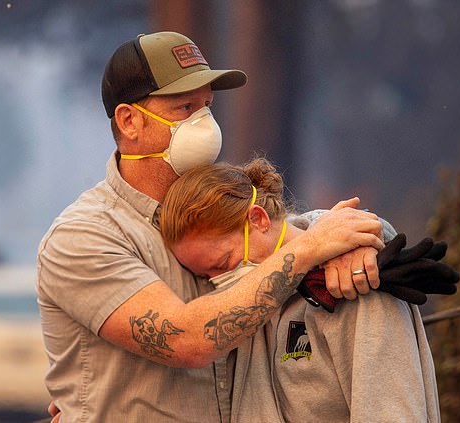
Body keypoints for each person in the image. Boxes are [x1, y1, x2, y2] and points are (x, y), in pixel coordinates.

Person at [37, 31, 385, 422]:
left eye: (208, 106)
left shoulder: (210, 210)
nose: (204, 122)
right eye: (185, 107)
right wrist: (307, 251)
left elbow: (282, 231)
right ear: (129, 120)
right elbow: (186, 340)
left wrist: (348, 239)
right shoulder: (83, 237)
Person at [159, 157, 442, 422]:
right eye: (206, 277)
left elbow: (390, 411)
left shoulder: (355, 280)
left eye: (223, 263)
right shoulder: (248, 312)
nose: (220, 282)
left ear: (258, 219)